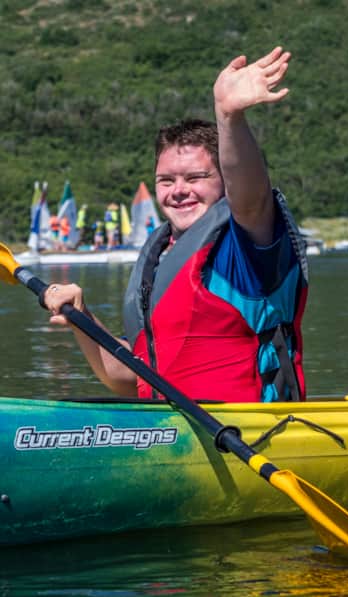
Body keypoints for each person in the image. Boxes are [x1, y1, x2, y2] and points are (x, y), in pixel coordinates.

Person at [43, 47, 309, 403]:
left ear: (223, 182)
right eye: (166, 181)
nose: (179, 191)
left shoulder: (247, 240)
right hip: (170, 429)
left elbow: (251, 195)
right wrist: (83, 318)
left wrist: (229, 117)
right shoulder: (159, 257)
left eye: (196, 177)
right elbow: (127, 377)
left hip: (255, 430)